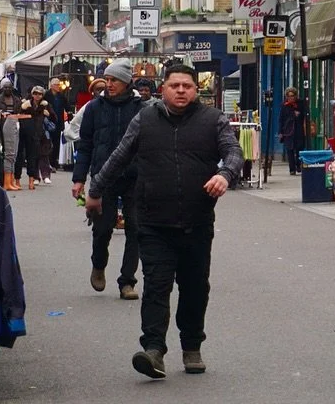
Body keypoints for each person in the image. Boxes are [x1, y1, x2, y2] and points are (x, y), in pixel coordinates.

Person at [87, 62, 244, 380]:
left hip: (197, 222)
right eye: (175, 86)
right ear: (164, 89)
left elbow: (234, 153)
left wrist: (225, 175)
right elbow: (119, 156)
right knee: (156, 288)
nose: (182, 91)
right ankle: (154, 350)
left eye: (187, 85)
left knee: (195, 288)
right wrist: (95, 190)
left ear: (195, 89)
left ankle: (191, 347)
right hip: (153, 222)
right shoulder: (145, 119)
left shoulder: (213, 120)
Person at [73, 60, 145, 300]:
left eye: (115, 80)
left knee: (136, 228)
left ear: (126, 82)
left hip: (135, 176)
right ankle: (99, 264)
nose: (109, 84)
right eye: (108, 79)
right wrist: (79, 179)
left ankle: (127, 281)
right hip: (104, 177)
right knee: (103, 228)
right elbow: (85, 146)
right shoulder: (94, 108)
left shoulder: (140, 108)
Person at [0, 83, 22, 191]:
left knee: (14, 154)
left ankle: (11, 181)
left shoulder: (16, 99)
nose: (7, 89)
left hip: (15, 123)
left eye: (9, 87)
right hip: (5, 124)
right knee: (9, 154)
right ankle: (6, 182)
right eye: (5, 87)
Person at [278, 87, 307, 176]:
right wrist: (280, 132)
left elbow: (305, 115)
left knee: (299, 148)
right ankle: (292, 169)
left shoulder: (300, 104)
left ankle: (298, 165)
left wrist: (299, 114)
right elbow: (281, 119)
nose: (291, 98)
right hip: (288, 131)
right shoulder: (284, 106)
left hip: (298, 130)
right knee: (289, 150)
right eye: (289, 96)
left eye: (293, 96)